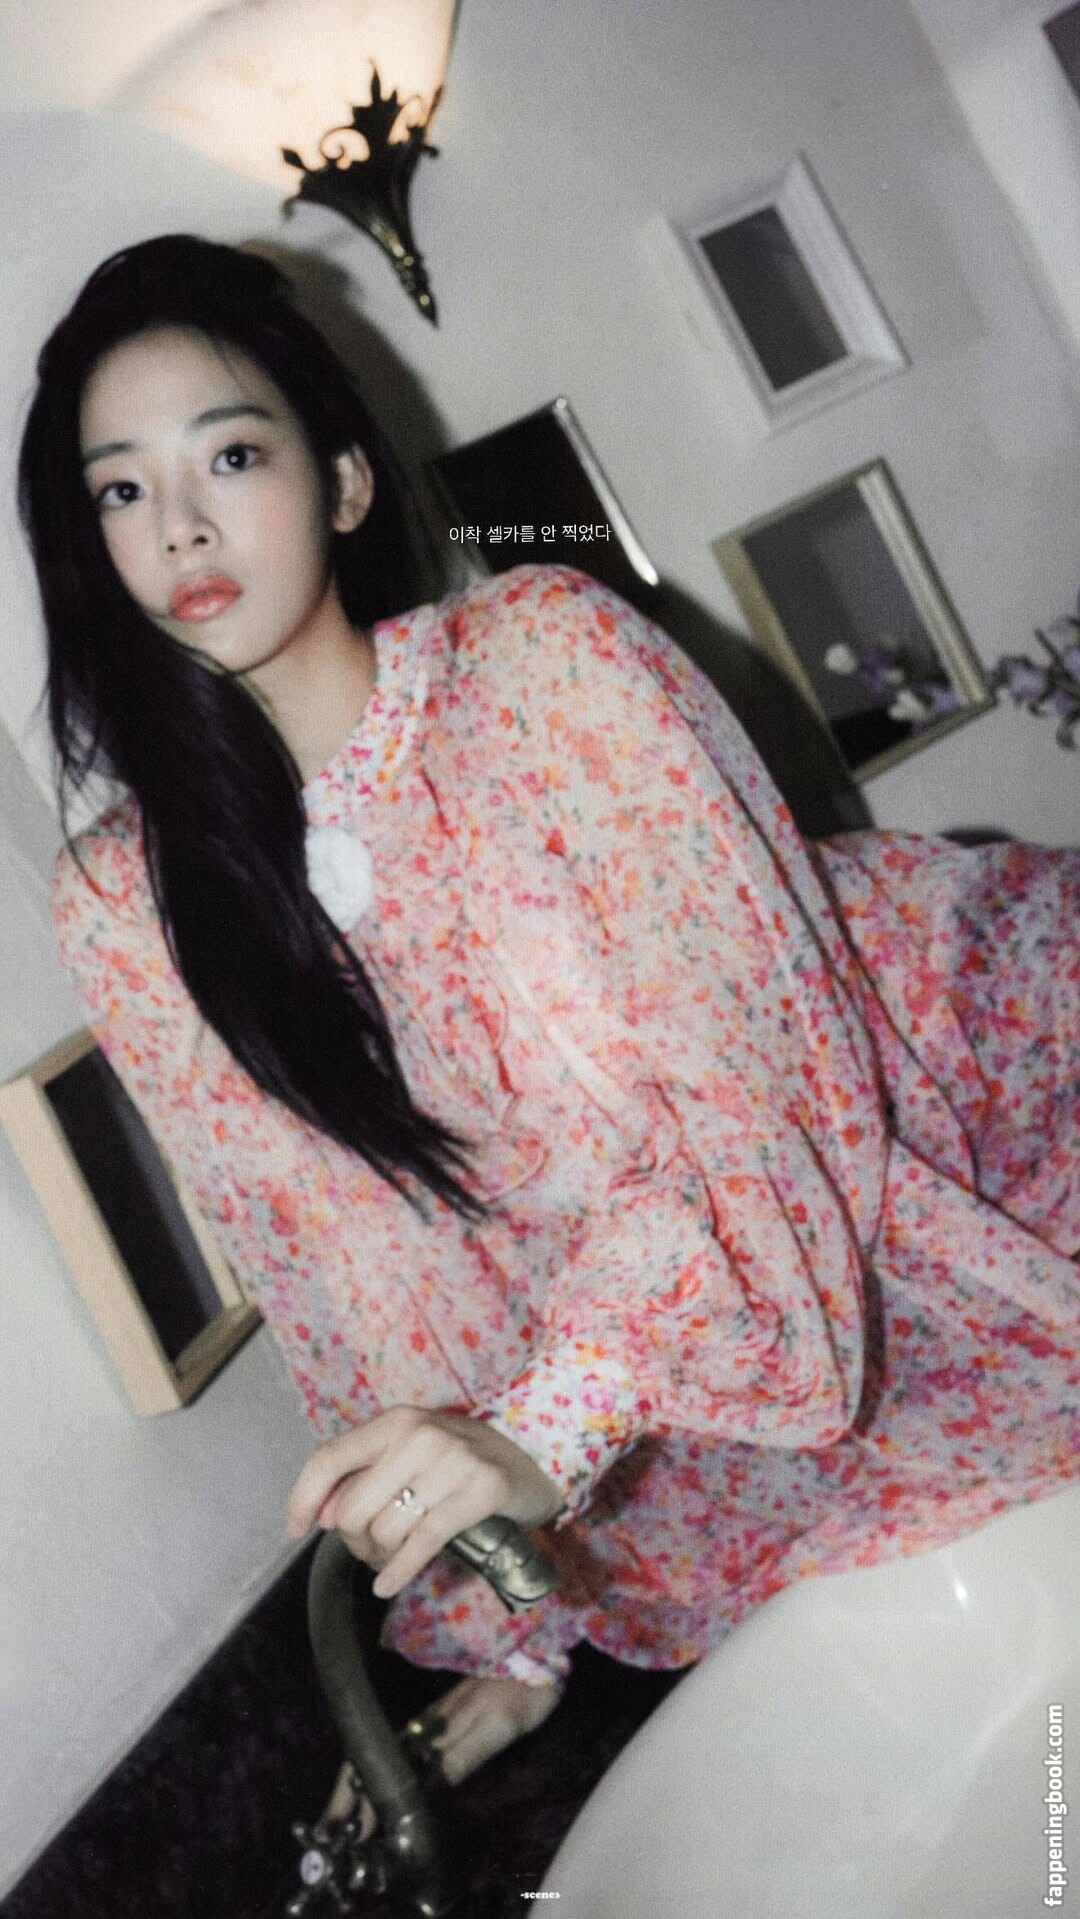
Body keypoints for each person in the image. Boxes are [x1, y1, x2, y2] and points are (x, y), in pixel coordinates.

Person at [23, 236, 1079, 1818]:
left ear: (346, 483)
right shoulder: (130, 904)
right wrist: (510, 1617)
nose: (178, 526)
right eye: (120, 490)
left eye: (231, 456)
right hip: (730, 1351)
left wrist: (546, 1429)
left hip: (980, 1110)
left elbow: (752, 1103)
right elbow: (346, 1274)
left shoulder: (542, 662)